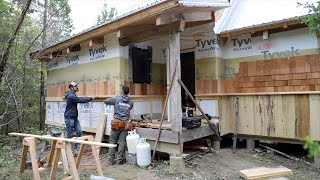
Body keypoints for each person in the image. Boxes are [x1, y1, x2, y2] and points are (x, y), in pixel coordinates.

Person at [105, 85, 133, 165]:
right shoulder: (131, 102)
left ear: (122, 91)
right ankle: (120, 160)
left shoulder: (117, 98)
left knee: (113, 141)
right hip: (125, 124)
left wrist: (115, 97)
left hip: (116, 123)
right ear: (128, 92)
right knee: (122, 142)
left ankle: (110, 160)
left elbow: (106, 101)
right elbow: (129, 108)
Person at [64, 81, 94, 151]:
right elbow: (80, 100)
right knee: (69, 135)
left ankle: (74, 148)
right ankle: (68, 150)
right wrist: (91, 98)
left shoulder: (72, 95)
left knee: (79, 131)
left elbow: (79, 98)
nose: (77, 87)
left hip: (74, 118)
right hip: (69, 118)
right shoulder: (71, 96)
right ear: (71, 88)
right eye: (75, 86)